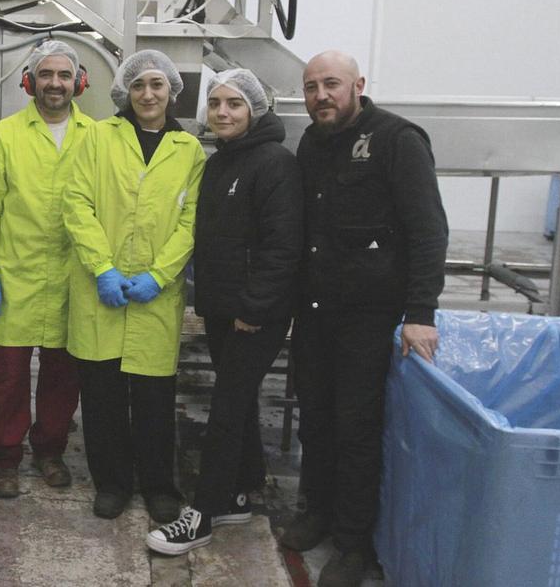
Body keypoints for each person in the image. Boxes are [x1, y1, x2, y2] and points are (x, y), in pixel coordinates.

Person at [281, 50, 447, 587]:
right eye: (311, 87)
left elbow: (428, 231)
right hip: (315, 312)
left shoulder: (397, 140)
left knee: (356, 428)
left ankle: (354, 543)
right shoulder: (312, 142)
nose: (321, 95)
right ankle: (318, 511)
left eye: (331, 84)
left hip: (369, 317)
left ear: (358, 85)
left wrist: (421, 313)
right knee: (316, 416)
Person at [146, 69, 302, 555]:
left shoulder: (275, 163)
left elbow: (283, 247)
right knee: (237, 401)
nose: (222, 112)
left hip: (255, 313)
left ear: (254, 109)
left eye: (234, 103)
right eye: (215, 104)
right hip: (221, 309)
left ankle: (203, 513)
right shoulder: (220, 163)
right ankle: (241, 489)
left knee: (226, 409)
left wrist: (253, 308)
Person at [63, 49, 205, 523]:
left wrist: (161, 275)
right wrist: (102, 268)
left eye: (157, 85)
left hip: (155, 296)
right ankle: (113, 484)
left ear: (171, 92)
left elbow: (191, 222)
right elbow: (76, 204)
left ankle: (159, 486)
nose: (148, 93)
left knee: (154, 399)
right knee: (101, 397)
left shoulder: (189, 151)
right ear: (127, 91)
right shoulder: (98, 137)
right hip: (99, 289)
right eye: (140, 85)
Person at [0, 40, 97, 498]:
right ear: (30, 81)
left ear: (78, 82)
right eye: (47, 75)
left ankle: (50, 451)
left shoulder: (97, 137)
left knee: (63, 377)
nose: (56, 84)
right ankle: (5, 458)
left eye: (65, 75)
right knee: (9, 378)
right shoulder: (3, 136)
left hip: (73, 278)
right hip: (14, 276)